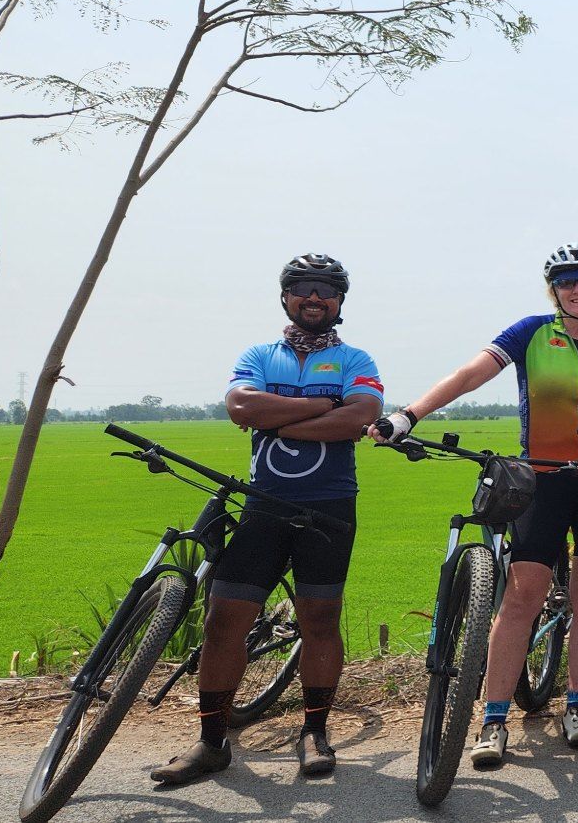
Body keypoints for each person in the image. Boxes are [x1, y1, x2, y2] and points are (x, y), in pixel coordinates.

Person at [367, 243, 578, 769]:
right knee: (523, 594)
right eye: (566, 280)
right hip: (541, 478)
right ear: (553, 291)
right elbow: (472, 373)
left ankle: (577, 706)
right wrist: (409, 414)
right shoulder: (532, 332)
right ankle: (493, 718)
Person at [152, 254, 382, 784]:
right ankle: (211, 742)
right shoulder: (260, 354)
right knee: (223, 621)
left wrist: (283, 420)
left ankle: (314, 733)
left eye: (326, 289)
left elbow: (361, 417)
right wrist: (325, 410)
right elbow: (241, 408)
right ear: (285, 298)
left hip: (328, 508)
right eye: (302, 288)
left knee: (319, 621)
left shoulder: (355, 358)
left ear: (340, 302)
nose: (314, 297)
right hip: (263, 506)